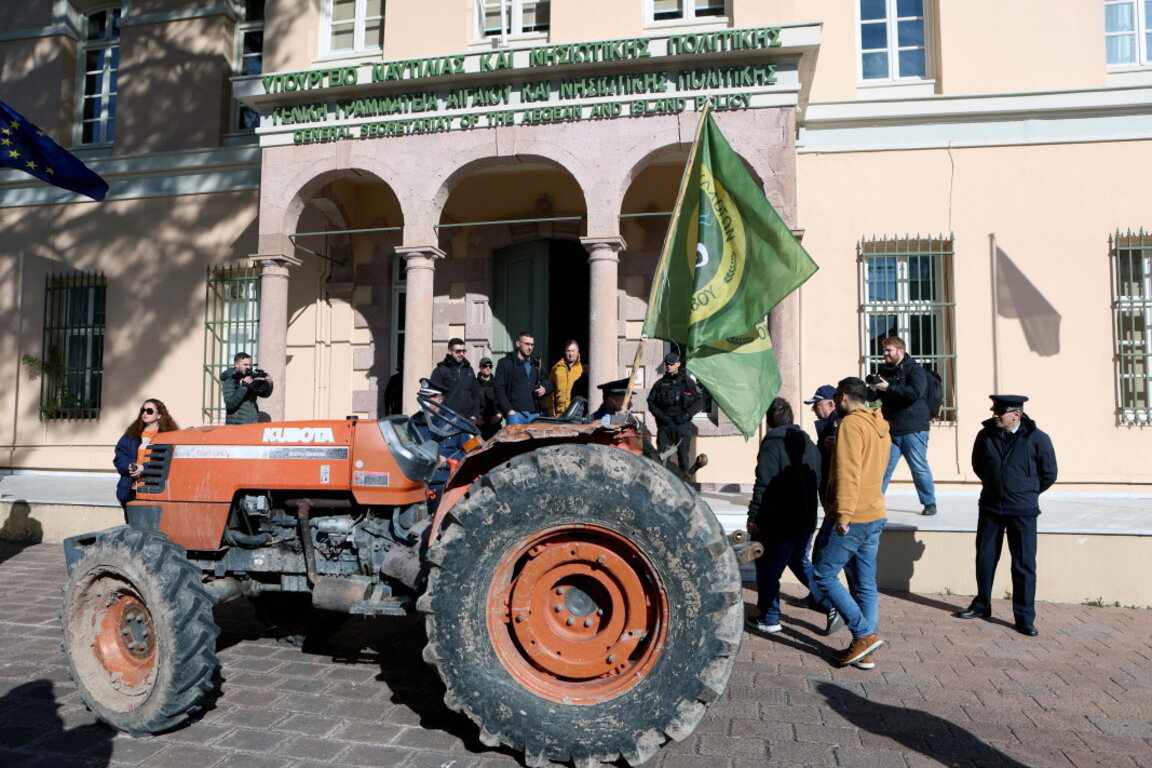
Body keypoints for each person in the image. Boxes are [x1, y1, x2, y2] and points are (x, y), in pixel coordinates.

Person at [955, 395, 1057, 637]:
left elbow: (1049, 473)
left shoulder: (1038, 439)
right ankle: (982, 605)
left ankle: (1024, 618)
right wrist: (995, 486)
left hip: (1023, 510)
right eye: (994, 410)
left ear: (1016, 414)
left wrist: (1026, 492)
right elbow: (978, 465)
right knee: (985, 558)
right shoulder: (985, 436)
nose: (995, 415)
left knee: (1023, 564)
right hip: (991, 507)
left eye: (1001, 412)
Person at [813, 376, 891, 669]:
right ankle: (865, 651)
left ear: (843, 397)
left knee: (823, 575)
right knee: (865, 584)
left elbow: (849, 474)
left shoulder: (850, 425)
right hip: (875, 512)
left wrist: (843, 515)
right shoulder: (879, 424)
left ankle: (863, 635)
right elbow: (873, 466)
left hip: (853, 516)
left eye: (836, 398)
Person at [745, 398, 828, 635]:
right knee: (799, 561)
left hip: (778, 520)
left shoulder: (772, 445)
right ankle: (831, 603)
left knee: (767, 568)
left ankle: (770, 616)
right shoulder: (809, 444)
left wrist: (754, 516)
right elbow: (817, 479)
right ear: (792, 419)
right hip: (805, 519)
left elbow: (764, 483)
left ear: (769, 422)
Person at [870, 336, 938, 516]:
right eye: (884, 350)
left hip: (913, 428)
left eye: (888, 350)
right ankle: (873, 502)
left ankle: (929, 503)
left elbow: (914, 393)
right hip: (890, 429)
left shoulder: (915, 370)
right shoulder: (884, 371)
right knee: (883, 468)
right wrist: (872, 388)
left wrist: (888, 387)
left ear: (901, 351)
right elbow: (873, 398)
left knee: (918, 467)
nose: (884, 354)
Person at [113, 399, 178, 521]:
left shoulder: (168, 436)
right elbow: (120, 455)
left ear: (159, 415)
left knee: (151, 526)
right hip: (131, 490)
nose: (145, 413)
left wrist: (144, 468)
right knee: (131, 527)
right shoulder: (131, 435)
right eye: (143, 410)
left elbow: (168, 461)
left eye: (149, 411)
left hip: (154, 491)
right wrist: (129, 466)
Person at [647, 352, 703, 476]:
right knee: (662, 457)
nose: (669, 366)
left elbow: (699, 402)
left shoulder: (687, 382)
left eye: (671, 364)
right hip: (665, 425)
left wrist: (687, 415)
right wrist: (660, 415)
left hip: (681, 425)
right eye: (667, 363)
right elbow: (650, 402)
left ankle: (685, 482)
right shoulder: (660, 383)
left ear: (678, 364)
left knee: (683, 457)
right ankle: (661, 481)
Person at [494, 331, 550, 425]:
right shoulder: (505, 363)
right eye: (527, 344)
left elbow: (549, 384)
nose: (530, 347)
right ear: (518, 343)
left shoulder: (536, 363)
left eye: (532, 344)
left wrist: (544, 389)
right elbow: (498, 388)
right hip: (516, 415)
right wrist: (509, 410)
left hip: (535, 415)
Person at [429, 338, 481, 421]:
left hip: (467, 419)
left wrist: (475, 414)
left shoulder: (469, 370)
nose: (461, 354)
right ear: (450, 351)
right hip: (446, 418)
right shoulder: (440, 370)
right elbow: (433, 396)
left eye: (463, 351)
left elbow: (475, 393)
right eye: (458, 351)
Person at [221, 352, 273, 425]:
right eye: (245, 364)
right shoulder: (230, 380)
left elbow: (264, 394)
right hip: (236, 426)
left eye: (250, 365)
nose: (248, 367)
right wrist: (243, 387)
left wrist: (269, 384)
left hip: (252, 424)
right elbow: (230, 404)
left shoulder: (250, 378)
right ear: (236, 364)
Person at [546, 340, 586, 416]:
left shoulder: (583, 368)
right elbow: (549, 389)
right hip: (560, 414)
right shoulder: (556, 368)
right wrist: (550, 410)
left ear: (578, 351)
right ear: (565, 352)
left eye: (573, 351)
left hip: (577, 414)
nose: (570, 354)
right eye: (568, 351)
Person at [475, 357, 502, 440]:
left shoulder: (497, 383)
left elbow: (503, 399)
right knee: (475, 446)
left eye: (490, 366)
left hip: (495, 423)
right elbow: (470, 402)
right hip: (478, 423)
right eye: (485, 366)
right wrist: (475, 418)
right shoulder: (474, 384)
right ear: (480, 367)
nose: (488, 368)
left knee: (497, 446)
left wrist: (499, 415)